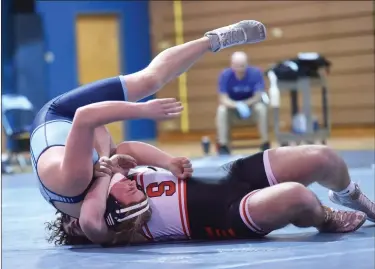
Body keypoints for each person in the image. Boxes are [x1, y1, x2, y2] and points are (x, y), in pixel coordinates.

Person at [32, 20, 267, 243]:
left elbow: (84, 116)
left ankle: (214, 40)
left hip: (61, 114)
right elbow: (126, 149)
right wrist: (167, 162)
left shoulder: (74, 184)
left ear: (74, 222)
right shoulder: (95, 187)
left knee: (147, 82)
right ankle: (213, 41)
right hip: (82, 133)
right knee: (114, 145)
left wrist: (142, 110)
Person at [49, 144, 375, 246]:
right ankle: (325, 218)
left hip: (229, 176)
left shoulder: (108, 179)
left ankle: (347, 194)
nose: (77, 223)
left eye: (70, 218)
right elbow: (89, 224)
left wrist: (165, 161)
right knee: (299, 198)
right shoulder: (115, 229)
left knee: (323, 158)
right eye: (72, 228)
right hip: (230, 213)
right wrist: (104, 175)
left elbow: (128, 148)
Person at [216, 51, 269, 154]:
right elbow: (223, 98)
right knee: (221, 110)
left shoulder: (255, 73)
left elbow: (258, 96)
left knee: (261, 108)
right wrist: (237, 105)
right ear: (232, 65)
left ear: (247, 64)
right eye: (237, 66)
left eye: (242, 66)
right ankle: (223, 145)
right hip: (233, 111)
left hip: (251, 109)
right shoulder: (225, 75)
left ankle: (265, 143)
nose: (240, 69)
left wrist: (245, 104)